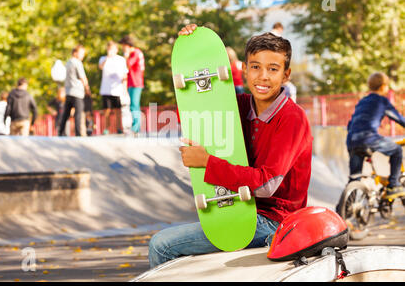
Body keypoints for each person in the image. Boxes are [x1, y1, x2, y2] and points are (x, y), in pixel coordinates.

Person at [148, 24, 313, 268]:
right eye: (255, 67)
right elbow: (195, 114)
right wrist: (193, 46)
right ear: (244, 70)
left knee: (161, 245)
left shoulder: (292, 118)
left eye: (273, 69)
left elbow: (267, 185)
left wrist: (207, 163)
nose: (263, 76)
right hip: (238, 207)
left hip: (273, 222)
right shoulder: (241, 105)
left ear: (286, 75)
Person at [345, 72, 405, 199]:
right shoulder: (382, 101)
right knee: (397, 150)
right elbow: (398, 118)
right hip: (369, 138)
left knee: (354, 178)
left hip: (352, 140)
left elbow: (351, 124)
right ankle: (393, 186)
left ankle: (345, 208)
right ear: (383, 87)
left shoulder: (362, 101)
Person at [58, 44, 91, 136]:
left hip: (68, 91)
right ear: (75, 53)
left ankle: (60, 132)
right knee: (78, 114)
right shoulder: (77, 62)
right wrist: (87, 88)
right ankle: (78, 134)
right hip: (77, 92)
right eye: (81, 53)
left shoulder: (68, 62)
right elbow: (82, 77)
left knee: (66, 113)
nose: (83, 56)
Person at [99, 40, 128, 134]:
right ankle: (106, 129)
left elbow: (124, 75)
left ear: (116, 49)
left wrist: (125, 89)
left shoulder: (121, 60)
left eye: (112, 49)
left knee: (118, 110)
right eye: (109, 49)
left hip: (117, 89)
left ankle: (119, 128)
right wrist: (108, 57)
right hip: (106, 89)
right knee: (106, 110)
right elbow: (100, 67)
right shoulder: (103, 58)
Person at [119, 35, 145, 136]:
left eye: (123, 46)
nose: (122, 48)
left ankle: (136, 128)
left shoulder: (136, 53)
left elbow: (128, 64)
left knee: (134, 105)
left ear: (128, 45)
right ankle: (135, 127)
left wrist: (126, 55)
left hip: (136, 83)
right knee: (133, 106)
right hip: (131, 82)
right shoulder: (134, 53)